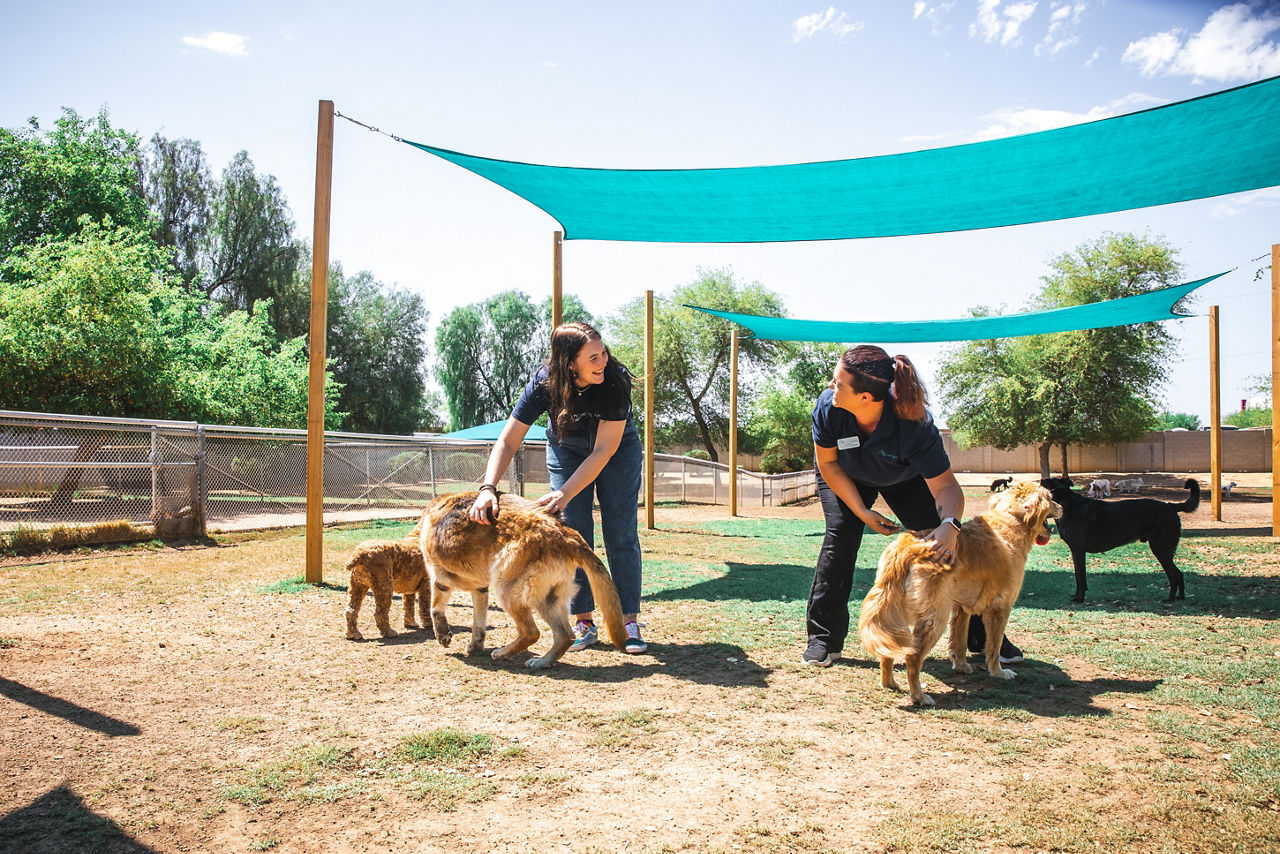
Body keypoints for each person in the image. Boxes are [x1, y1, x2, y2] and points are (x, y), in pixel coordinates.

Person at [802, 344, 1022, 667]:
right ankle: (824, 639)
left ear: (866, 398)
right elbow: (828, 465)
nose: (830, 387)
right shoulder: (828, 406)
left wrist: (950, 526)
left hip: (903, 478)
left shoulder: (914, 423)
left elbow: (947, 487)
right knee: (841, 537)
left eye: (838, 382)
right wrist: (862, 513)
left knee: (942, 545)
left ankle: (981, 635)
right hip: (845, 473)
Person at [469, 321, 647, 654]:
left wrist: (565, 491)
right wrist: (487, 487)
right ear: (569, 363)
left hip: (616, 447)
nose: (603, 362)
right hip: (566, 444)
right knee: (572, 531)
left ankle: (628, 621)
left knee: (621, 531)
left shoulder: (615, 381)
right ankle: (583, 621)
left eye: (603, 353)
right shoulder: (544, 383)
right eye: (592, 357)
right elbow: (508, 440)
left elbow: (603, 451)